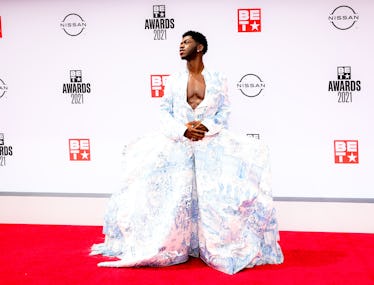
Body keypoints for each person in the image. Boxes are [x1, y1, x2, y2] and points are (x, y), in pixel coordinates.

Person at [91, 31, 283, 275]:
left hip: (210, 146)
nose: (181, 46)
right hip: (178, 145)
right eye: (180, 42)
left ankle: (214, 248)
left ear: (200, 47)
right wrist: (182, 130)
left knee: (217, 198)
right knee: (173, 198)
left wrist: (206, 127)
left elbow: (223, 111)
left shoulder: (217, 78)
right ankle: (173, 248)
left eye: (186, 42)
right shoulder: (173, 80)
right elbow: (164, 112)